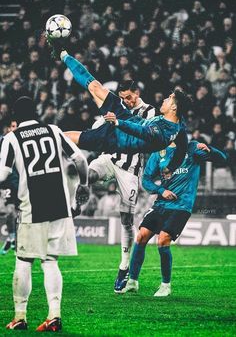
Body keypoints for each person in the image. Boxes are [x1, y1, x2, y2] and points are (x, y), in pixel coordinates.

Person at [0, 96, 88, 331]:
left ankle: (20, 317)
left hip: (32, 207)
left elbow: (2, 174)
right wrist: (84, 184)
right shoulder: (54, 130)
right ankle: (54, 316)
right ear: (36, 112)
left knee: (23, 261)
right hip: (59, 206)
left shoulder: (12, 137)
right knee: (50, 261)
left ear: (15, 117)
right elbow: (79, 158)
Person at [47, 44, 191, 177]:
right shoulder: (179, 127)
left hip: (115, 139)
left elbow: (141, 131)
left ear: (174, 107)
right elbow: (182, 149)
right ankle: (64, 54)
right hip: (126, 117)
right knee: (96, 87)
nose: (165, 99)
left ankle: (46, 139)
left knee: (73, 138)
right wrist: (171, 168)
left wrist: (117, 122)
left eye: (169, 98)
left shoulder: (162, 133)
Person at [123, 140, 227, 296]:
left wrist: (210, 150)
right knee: (142, 235)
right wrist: (161, 190)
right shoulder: (158, 153)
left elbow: (222, 159)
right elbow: (146, 180)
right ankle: (132, 282)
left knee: (163, 239)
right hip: (161, 204)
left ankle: (165, 285)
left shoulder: (191, 148)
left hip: (181, 206)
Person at [88, 80, 159, 292]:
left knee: (126, 220)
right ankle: (76, 200)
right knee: (88, 173)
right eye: (122, 98)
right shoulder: (117, 106)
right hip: (110, 158)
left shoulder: (149, 111)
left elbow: (144, 132)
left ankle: (124, 267)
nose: (125, 101)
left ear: (137, 93)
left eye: (128, 97)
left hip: (130, 169)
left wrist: (117, 120)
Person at [0, 120, 18, 255]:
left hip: (22, 180)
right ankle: (12, 237)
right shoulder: (3, 142)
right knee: (10, 211)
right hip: (8, 181)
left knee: (21, 213)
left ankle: (11, 239)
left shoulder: (21, 140)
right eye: (12, 126)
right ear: (7, 128)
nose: (14, 129)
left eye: (16, 126)